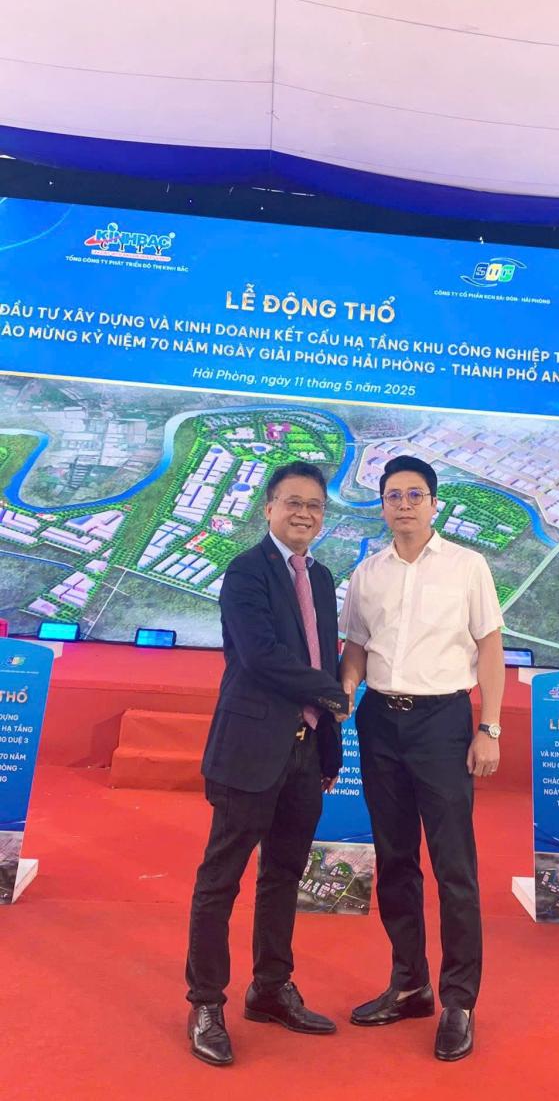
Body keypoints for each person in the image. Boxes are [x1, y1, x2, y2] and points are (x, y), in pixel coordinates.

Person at [340, 455, 504, 1061]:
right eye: (393, 495)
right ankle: (410, 983)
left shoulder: (468, 566)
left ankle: (460, 1001)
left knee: (454, 865)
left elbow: (490, 647)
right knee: (395, 860)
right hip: (380, 722)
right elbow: (356, 646)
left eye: (415, 494)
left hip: (443, 723)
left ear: (434, 503)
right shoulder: (368, 573)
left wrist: (488, 728)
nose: (404, 504)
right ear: (382, 504)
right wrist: (346, 689)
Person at [186, 460, 350, 1066]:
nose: (305, 514)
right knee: (220, 880)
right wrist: (332, 694)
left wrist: (329, 742)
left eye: (315, 506)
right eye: (293, 503)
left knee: (284, 875)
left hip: (306, 754)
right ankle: (206, 1002)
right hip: (250, 750)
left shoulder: (322, 577)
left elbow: (324, 656)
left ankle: (271, 988)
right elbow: (260, 656)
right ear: (270, 508)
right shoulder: (246, 571)